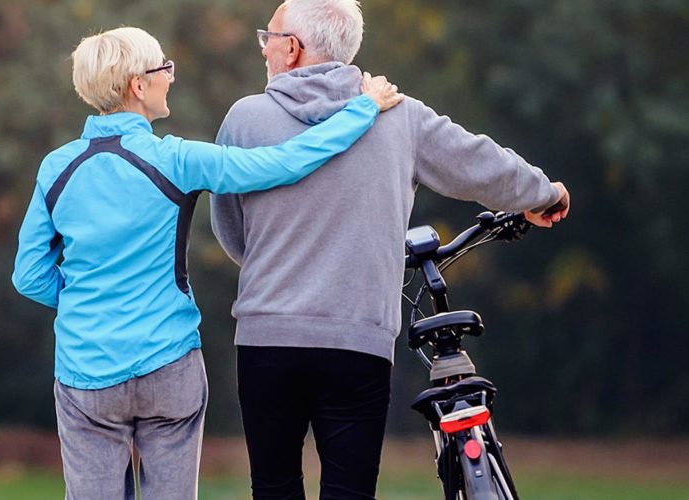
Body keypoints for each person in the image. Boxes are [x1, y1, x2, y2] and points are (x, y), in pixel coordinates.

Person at [12, 26, 403, 500]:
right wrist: (362, 109)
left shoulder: (57, 168)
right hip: (169, 365)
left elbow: (29, 274)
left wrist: (85, 302)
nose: (169, 78)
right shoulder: (175, 159)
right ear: (138, 85)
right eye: (163, 69)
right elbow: (284, 162)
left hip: (84, 373)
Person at [209, 2, 570, 499]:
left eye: (266, 37)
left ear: (291, 49)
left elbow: (230, 228)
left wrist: (275, 268)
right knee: (350, 490)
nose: (264, 48)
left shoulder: (244, 120)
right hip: (359, 341)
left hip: (268, 338)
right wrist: (544, 193)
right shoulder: (400, 116)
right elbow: (479, 163)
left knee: (274, 487)